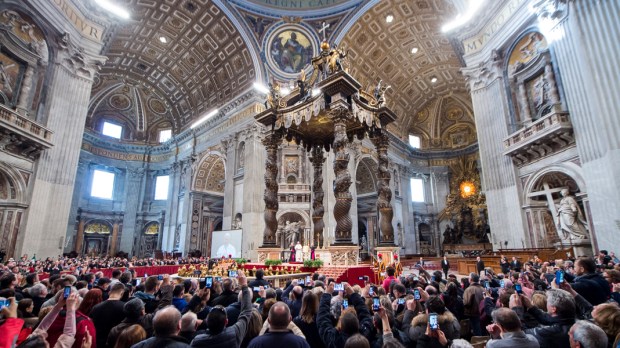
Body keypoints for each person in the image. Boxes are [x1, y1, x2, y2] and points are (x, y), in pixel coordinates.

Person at [190, 270, 252, 348]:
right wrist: (244, 286)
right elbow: (246, 312)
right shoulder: (234, 334)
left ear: (207, 322)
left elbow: (187, 310)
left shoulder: (196, 341)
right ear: (226, 322)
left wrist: (197, 297)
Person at [510, 289, 576, 348]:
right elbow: (548, 319)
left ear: (553, 309)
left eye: (547, 301)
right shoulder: (574, 322)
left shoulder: (551, 332)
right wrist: (530, 307)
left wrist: (516, 310)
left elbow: (521, 333)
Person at [90, 282, 126, 348]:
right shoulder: (125, 307)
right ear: (122, 293)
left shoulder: (96, 307)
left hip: (98, 342)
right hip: (116, 342)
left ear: (109, 292)